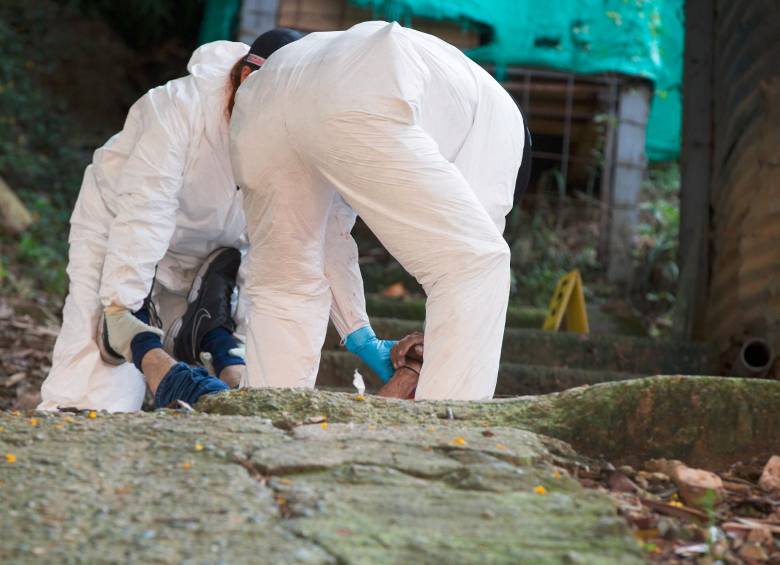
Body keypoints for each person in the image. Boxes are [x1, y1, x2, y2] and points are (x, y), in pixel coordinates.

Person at [39, 28, 396, 412]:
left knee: (237, 380)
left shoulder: (299, 129)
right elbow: (146, 207)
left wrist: (358, 332)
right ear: (246, 80)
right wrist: (121, 307)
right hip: (117, 231)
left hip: (211, 258)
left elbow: (323, 233)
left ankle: (207, 334)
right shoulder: (177, 108)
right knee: (100, 383)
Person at [230, 21, 526, 400]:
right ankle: (443, 442)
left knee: (286, 289)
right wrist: (428, 355)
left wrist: (359, 334)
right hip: (362, 87)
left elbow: (326, 236)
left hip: (259, 105)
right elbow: (466, 265)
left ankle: (267, 427)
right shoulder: (504, 130)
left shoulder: (465, 92)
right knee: (477, 265)